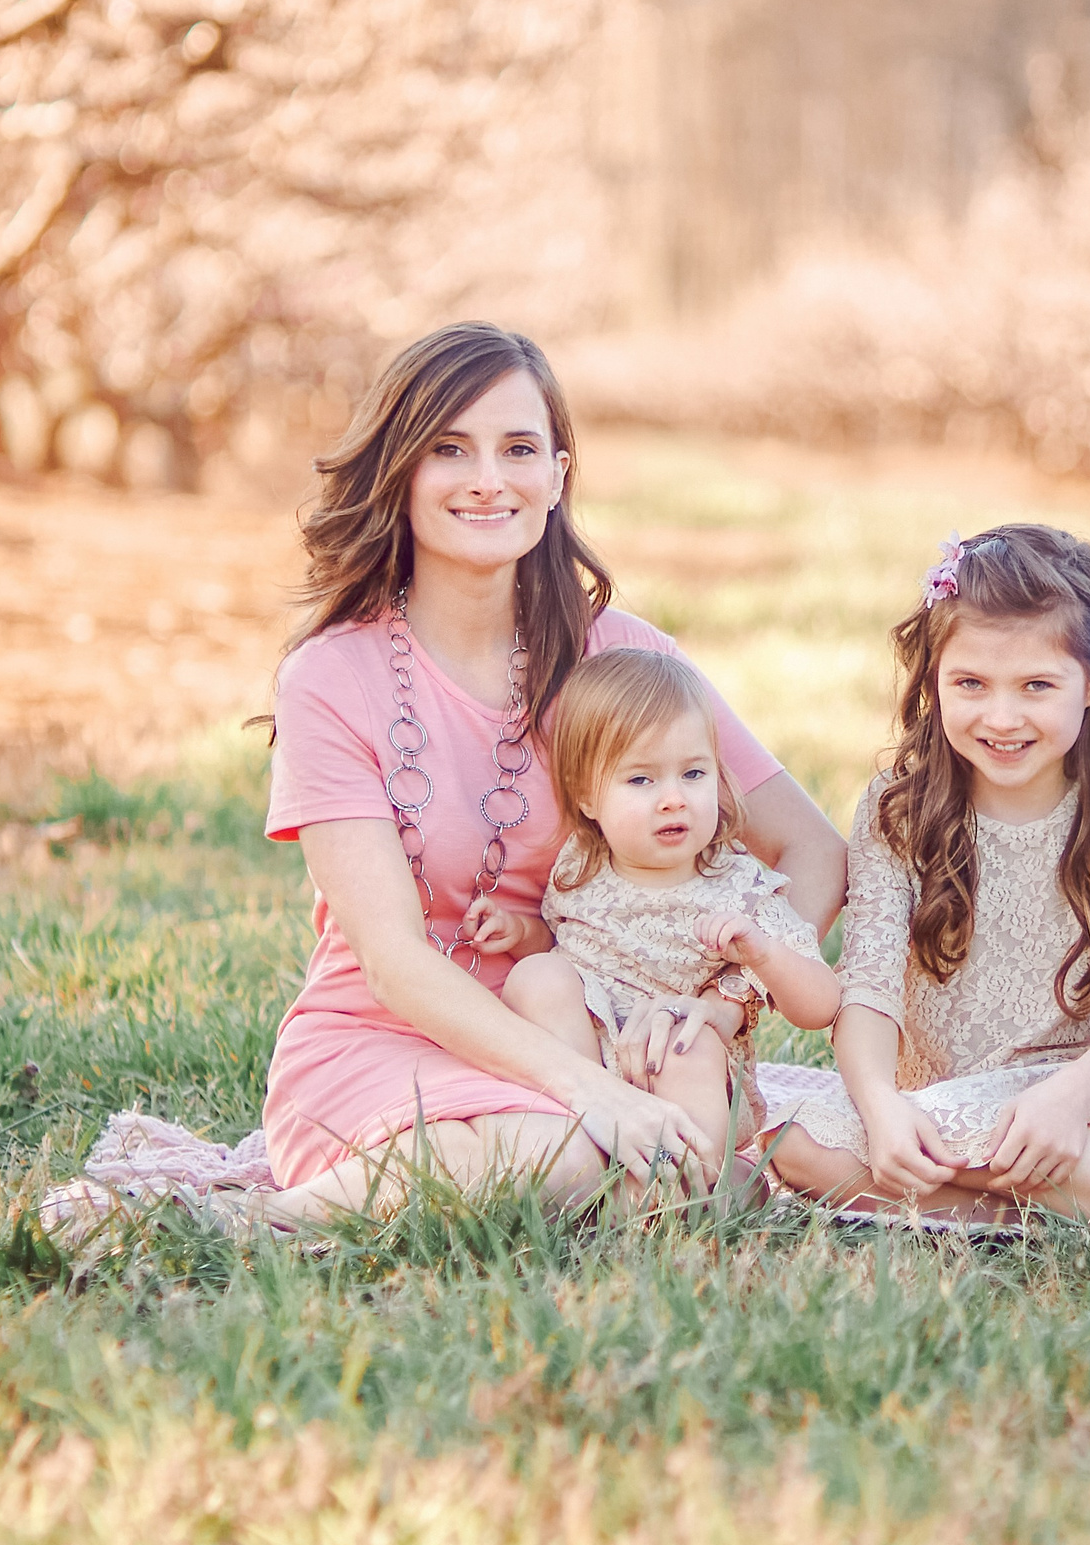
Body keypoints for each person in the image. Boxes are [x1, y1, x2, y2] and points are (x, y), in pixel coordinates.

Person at [253, 321, 845, 1228]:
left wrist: (722, 1004)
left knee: (621, 1160)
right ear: (401, 471)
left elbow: (811, 846)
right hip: (385, 1041)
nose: (490, 478)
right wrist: (589, 1096)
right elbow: (390, 958)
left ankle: (563, 1168)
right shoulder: (333, 675)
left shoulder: (627, 658)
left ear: (558, 475)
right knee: (572, 1153)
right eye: (450, 448)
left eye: (519, 448)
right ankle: (252, 1220)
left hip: (603, 1032)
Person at [764, 524, 1090, 1227]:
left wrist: (1071, 1099)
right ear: (934, 678)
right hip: (929, 1106)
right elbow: (868, 987)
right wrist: (879, 1104)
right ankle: (1049, 1216)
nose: (1002, 716)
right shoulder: (898, 807)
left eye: (1036, 685)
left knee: (1021, 1132)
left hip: (1076, 1103)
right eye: (970, 684)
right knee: (795, 1141)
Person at [494, 646, 841, 1168]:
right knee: (537, 977)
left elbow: (821, 1004)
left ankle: (694, 1184)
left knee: (690, 1045)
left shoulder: (738, 885)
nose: (674, 798)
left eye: (694, 774)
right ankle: (585, 1147)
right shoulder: (579, 866)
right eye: (641, 780)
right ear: (587, 798)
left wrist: (763, 954)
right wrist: (521, 934)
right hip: (594, 1063)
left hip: (683, 1071)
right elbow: (568, 944)